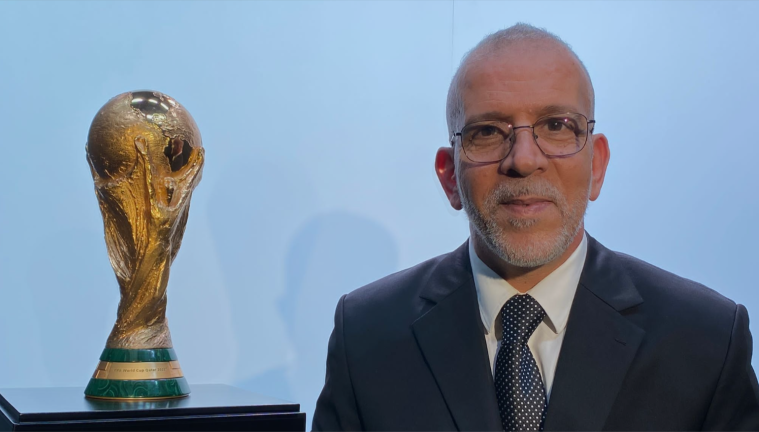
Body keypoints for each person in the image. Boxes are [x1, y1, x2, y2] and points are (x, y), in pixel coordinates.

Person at [311, 23, 759, 432]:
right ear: (449, 177)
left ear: (596, 165)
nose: (524, 160)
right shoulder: (366, 336)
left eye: (557, 126)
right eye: (488, 132)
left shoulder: (706, 340)